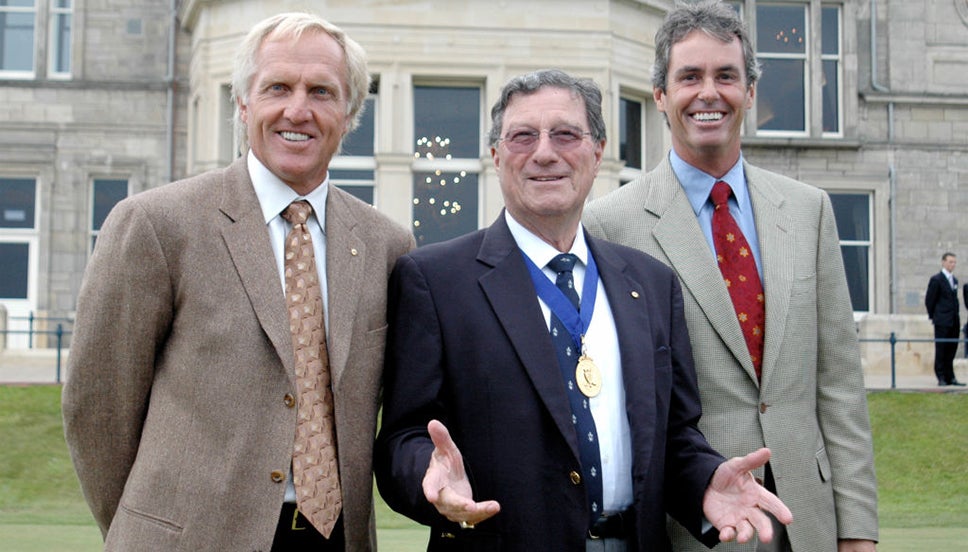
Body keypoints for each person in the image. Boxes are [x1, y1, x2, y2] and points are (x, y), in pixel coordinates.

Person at [374, 68, 792, 551]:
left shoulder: (652, 284)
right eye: (522, 136)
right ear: (495, 155)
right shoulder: (435, 280)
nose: (544, 152)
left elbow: (674, 437)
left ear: (597, 153)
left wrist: (704, 481)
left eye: (566, 135)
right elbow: (403, 436)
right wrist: (429, 475)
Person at [62, 12, 414, 551]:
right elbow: (98, 408)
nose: (298, 109)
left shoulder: (387, 245)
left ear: (349, 114)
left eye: (321, 91)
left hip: (336, 538)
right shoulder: (157, 225)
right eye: (277, 87)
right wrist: (145, 529)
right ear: (243, 102)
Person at [583, 2, 878, 551]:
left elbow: (838, 385)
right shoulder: (609, 225)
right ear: (661, 97)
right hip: (694, 526)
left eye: (726, 76)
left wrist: (857, 529)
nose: (709, 93)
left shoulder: (808, 210)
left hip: (807, 520)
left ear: (750, 92)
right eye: (689, 77)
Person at [925, 253, 964, 385]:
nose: (952, 264)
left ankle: (950, 376)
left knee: (951, 349)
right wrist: (934, 316)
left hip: (953, 320)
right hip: (942, 320)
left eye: (954, 262)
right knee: (941, 349)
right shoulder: (936, 280)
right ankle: (941, 376)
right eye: (950, 262)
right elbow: (930, 300)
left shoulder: (954, 280)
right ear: (943, 262)